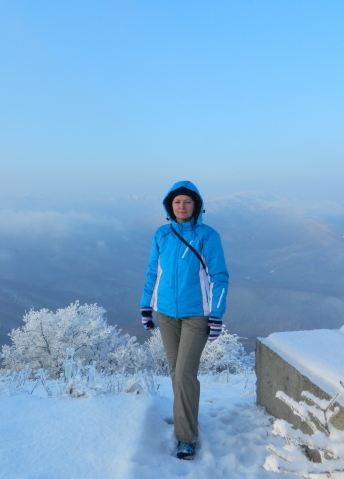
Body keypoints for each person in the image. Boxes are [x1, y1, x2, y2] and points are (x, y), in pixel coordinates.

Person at [140, 180, 229, 460]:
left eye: (187, 202)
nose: (182, 206)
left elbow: (220, 277)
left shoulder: (207, 235)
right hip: (166, 314)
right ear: (170, 205)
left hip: (196, 316)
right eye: (177, 202)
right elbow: (153, 272)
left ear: (196, 206)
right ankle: (184, 419)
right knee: (175, 373)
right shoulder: (162, 234)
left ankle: (186, 437)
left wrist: (216, 315)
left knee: (184, 374)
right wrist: (146, 306)